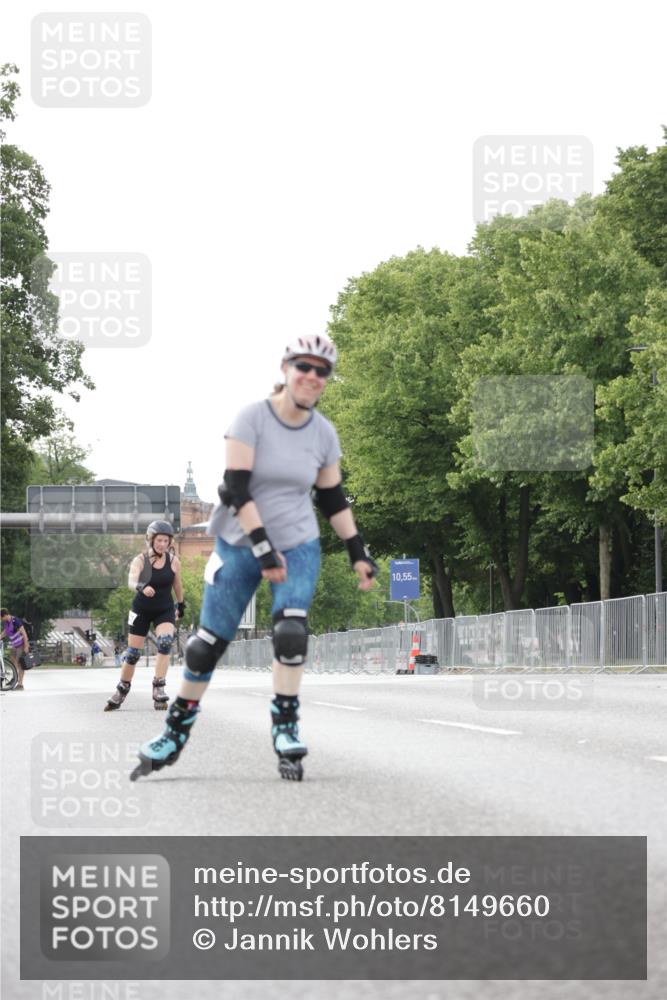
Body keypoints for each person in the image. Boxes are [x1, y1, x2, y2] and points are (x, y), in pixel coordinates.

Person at [131, 334, 378, 782]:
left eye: (322, 371)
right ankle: (174, 733)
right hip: (239, 543)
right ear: (286, 368)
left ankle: (285, 727)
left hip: (298, 542)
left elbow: (332, 496)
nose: (312, 377)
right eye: (304, 366)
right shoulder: (251, 418)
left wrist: (358, 550)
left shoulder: (323, 432)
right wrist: (263, 548)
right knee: (206, 647)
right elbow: (235, 488)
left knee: (290, 632)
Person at [104, 521, 185, 712]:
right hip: (141, 609)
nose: (162, 544)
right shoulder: (140, 560)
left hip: (164, 609)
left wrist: (181, 604)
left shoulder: (174, 561)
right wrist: (141, 586)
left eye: (166, 541)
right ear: (151, 540)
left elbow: (177, 585)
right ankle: (122, 689)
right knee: (132, 654)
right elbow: (131, 580)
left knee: (165, 642)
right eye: (159, 540)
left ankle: (159, 687)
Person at [0, 608, 30, 691]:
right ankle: (14, 679)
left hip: (21, 645)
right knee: (12, 662)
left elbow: (24, 633)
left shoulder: (15, 621)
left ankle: (20, 684)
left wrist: (26, 646)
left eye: (1, 618)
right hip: (14, 645)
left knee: (20, 664)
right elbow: (6, 632)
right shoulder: (6, 622)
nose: (1, 620)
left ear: (5, 615)